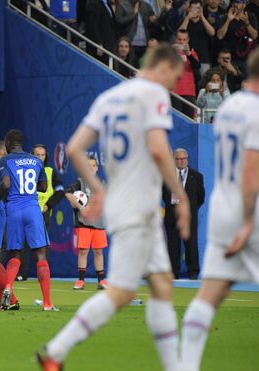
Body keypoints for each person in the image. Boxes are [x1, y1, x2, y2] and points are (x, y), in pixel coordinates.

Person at [37, 43, 191, 371]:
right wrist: (181, 195)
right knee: (121, 292)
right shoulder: (153, 93)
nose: (174, 85)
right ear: (163, 67)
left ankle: (176, 367)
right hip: (139, 205)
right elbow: (160, 150)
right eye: (175, 77)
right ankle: (55, 350)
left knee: (162, 283)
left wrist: (98, 191)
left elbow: (76, 148)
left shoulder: (108, 99)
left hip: (125, 203)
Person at [179, 48, 259, 371]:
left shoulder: (228, 109)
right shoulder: (255, 111)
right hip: (246, 209)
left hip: (221, 206)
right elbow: (252, 169)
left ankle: (185, 364)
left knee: (209, 293)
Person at [0, 129, 57, 311]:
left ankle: (7, 289)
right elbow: (44, 187)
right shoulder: (36, 161)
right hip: (32, 208)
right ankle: (47, 303)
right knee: (40, 255)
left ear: (8, 143)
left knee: (15, 254)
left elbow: (5, 184)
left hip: (13, 210)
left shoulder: (3, 161)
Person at [16, 144, 65, 281]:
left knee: (41, 244)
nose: (40, 158)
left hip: (42, 213)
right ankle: (21, 274)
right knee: (23, 243)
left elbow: (61, 191)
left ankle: (43, 275)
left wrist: (48, 205)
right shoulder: (24, 170)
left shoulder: (49, 171)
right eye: (37, 155)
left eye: (42, 155)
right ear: (32, 155)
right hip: (26, 210)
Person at [66, 155, 108, 290]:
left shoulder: (102, 184)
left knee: (98, 251)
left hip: (99, 223)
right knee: (83, 251)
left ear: (96, 168)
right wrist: (81, 208)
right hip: (83, 223)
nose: (90, 168)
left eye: (93, 166)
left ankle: (101, 281)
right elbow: (68, 194)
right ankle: (80, 280)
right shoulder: (79, 182)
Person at [162, 148, 205, 279]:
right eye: (178, 158)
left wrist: (189, 209)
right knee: (172, 246)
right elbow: (164, 195)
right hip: (171, 217)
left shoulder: (197, 176)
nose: (181, 161)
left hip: (189, 217)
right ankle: (173, 272)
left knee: (191, 245)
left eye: (183, 158)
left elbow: (200, 197)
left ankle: (193, 272)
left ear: (187, 159)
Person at [179, 0, 216, 75]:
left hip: (203, 59)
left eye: (198, 8)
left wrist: (202, 17)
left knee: (204, 83)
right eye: (193, 8)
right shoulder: (185, 21)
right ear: (189, 9)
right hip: (188, 59)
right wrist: (187, 18)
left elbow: (212, 32)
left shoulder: (205, 21)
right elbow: (179, 34)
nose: (196, 10)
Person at [217, 0, 258, 68]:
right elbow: (220, 36)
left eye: (238, 2)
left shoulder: (251, 17)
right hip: (229, 58)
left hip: (247, 58)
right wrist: (228, 20)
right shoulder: (226, 17)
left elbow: (254, 36)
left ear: (244, 4)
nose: (235, 4)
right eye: (234, 2)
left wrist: (247, 23)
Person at [172, 30, 201, 118]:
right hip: (174, 91)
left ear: (188, 40)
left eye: (184, 39)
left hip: (189, 91)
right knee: (176, 119)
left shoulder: (192, 54)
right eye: (179, 39)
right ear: (175, 40)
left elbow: (197, 66)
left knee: (188, 120)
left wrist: (188, 54)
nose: (181, 42)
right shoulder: (170, 52)